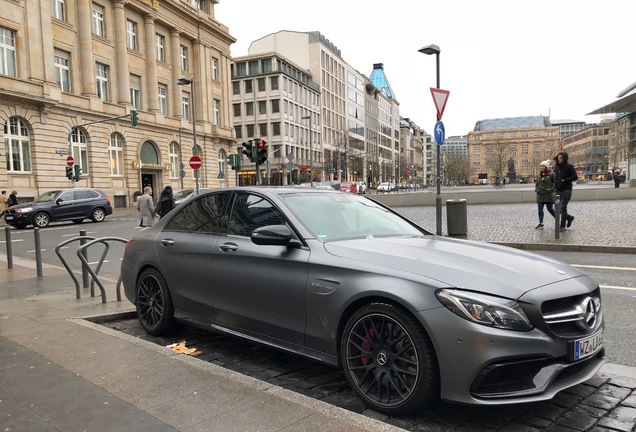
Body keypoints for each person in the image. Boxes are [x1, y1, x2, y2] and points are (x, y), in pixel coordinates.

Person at [553, 152, 578, 232]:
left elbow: (575, 176)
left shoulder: (569, 167)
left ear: (564, 158)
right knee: (557, 208)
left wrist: (565, 180)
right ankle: (569, 218)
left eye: (560, 158)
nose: (559, 159)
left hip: (566, 190)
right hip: (558, 190)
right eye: (558, 158)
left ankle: (562, 225)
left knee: (563, 207)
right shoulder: (557, 168)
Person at [534, 160, 556, 229]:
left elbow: (555, 183)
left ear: (546, 167)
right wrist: (537, 190)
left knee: (550, 209)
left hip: (548, 195)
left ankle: (558, 220)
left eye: (543, 166)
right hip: (540, 195)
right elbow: (537, 184)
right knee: (540, 209)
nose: (541, 167)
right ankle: (541, 223)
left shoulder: (551, 174)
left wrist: (551, 190)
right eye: (540, 166)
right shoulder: (539, 175)